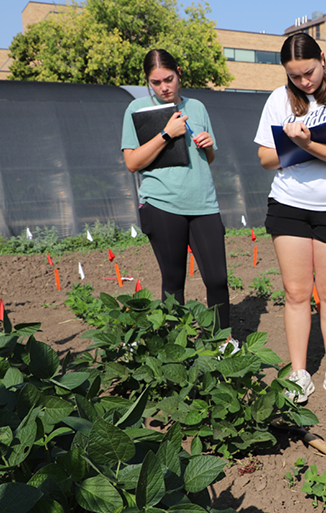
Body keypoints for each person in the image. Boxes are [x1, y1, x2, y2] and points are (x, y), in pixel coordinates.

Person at [253, 31, 326, 405]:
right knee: (297, 293)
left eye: (308, 72)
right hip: (289, 205)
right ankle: (299, 372)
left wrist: (305, 144)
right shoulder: (278, 99)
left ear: (321, 57)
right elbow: (266, 158)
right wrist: (291, 143)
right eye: (295, 76)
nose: (303, 81)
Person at [120, 48, 228, 330]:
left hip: (204, 204)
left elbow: (210, 159)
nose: (164, 87)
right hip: (162, 204)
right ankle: (175, 352)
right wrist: (166, 134)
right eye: (156, 82)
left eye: (168, 79)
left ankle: (222, 343)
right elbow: (132, 162)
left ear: (179, 73)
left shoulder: (198, 107)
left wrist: (206, 144)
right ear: (147, 81)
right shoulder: (137, 109)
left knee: (217, 279)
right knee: (173, 281)